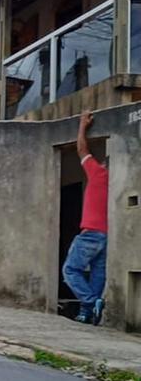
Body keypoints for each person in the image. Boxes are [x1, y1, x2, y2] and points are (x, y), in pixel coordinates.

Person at [62, 111, 108, 326]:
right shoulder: (116, 183)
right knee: (98, 274)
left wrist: (82, 126)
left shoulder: (98, 173)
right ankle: (88, 312)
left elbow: (82, 149)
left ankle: (89, 302)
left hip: (90, 233)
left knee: (70, 269)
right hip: (107, 236)